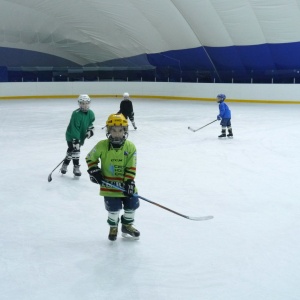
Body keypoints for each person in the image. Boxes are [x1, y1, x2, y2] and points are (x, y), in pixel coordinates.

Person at [85, 113, 140, 241]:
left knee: (131, 205)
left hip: (126, 185)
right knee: (113, 210)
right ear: (109, 130)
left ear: (125, 131)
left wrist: (129, 182)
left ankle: (127, 226)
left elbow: (131, 166)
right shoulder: (101, 145)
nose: (117, 134)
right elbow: (90, 157)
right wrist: (94, 170)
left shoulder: (130, 147)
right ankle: (113, 227)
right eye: (113, 130)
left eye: (120, 130)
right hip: (109, 185)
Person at [60, 94, 95, 176]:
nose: (84, 105)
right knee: (76, 151)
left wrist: (90, 130)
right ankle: (76, 167)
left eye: (86, 103)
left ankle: (64, 165)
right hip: (71, 135)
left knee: (71, 151)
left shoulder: (91, 113)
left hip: (81, 135)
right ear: (79, 104)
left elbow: (90, 123)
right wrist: (75, 140)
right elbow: (74, 127)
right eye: (82, 103)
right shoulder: (76, 114)